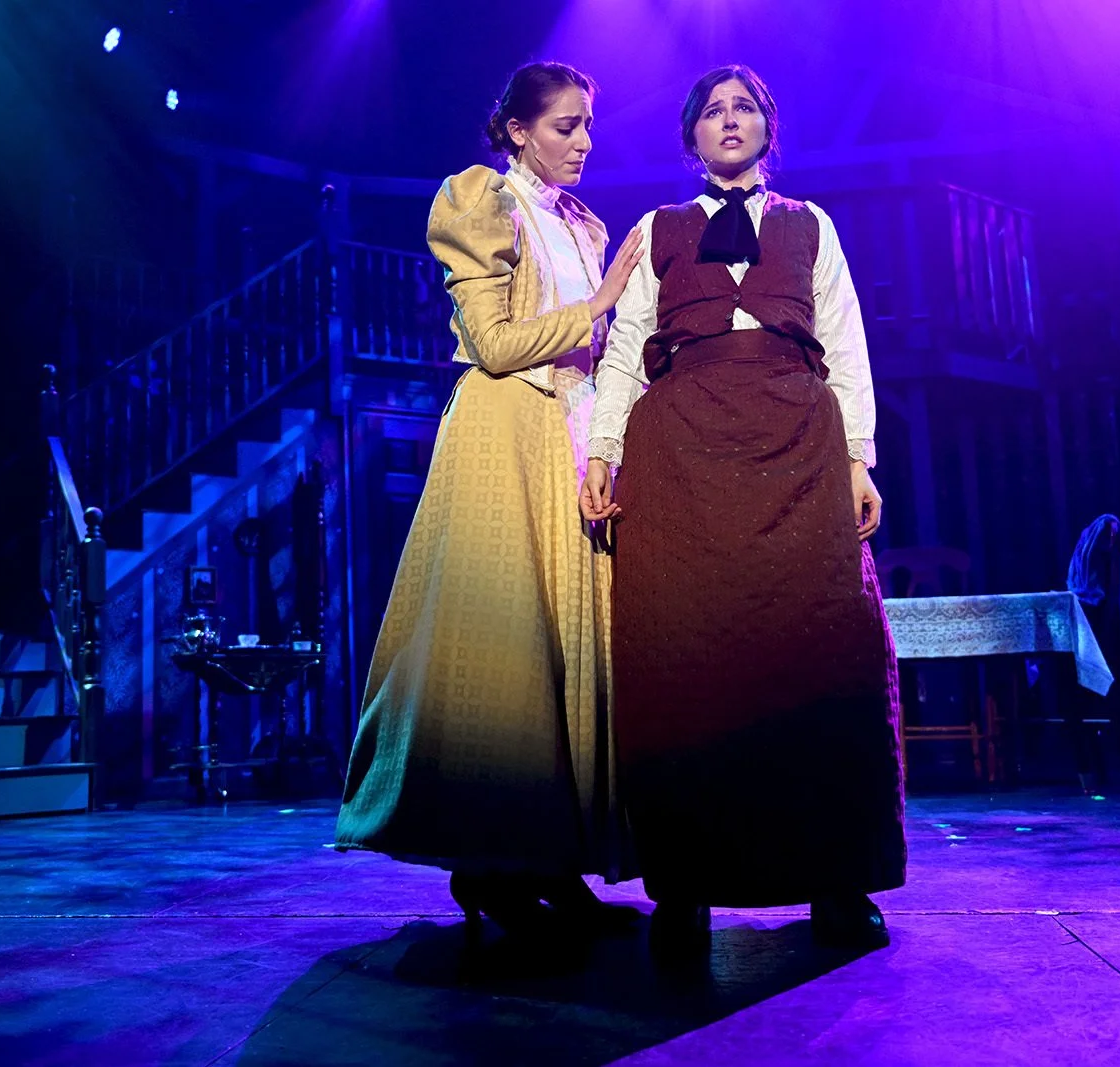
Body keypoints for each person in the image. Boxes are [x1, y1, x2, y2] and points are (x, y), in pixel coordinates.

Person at [580, 64, 905, 953]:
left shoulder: (810, 226)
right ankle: (684, 884)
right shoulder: (658, 229)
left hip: (798, 444)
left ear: (768, 128)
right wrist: (604, 449)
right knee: (686, 660)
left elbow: (845, 346)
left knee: (818, 654)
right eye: (714, 111)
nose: (730, 121)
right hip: (680, 449)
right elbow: (619, 356)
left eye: (745, 108)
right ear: (691, 138)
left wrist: (857, 461)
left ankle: (835, 880)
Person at [337, 61, 646, 940]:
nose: (584, 141)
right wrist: (601, 301)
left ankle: (556, 855)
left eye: (589, 124)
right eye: (564, 126)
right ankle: (488, 860)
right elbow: (497, 343)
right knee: (506, 657)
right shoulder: (480, 200)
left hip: (575, 440)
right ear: (518, 130)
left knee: (576, 649)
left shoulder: (585, 225)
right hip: (503, 434)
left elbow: (606, 345)